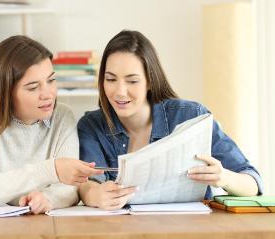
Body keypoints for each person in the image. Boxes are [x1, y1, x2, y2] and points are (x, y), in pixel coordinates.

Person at [77, 30, 263, 210]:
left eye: (132, 81)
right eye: (111, 79)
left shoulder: (192, 116)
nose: (119, 91)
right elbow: (88, 184)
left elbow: (253, 183)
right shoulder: (92, 126)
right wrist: (95, 195)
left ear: (150, 80)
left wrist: (224, 177)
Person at [0, 35, 103, 214]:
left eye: (51, 80)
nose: (48, 94)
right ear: (5, 91)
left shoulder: (62, 116)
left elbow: (70, 187)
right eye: (33, 87)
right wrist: (48, 170)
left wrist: (47, 199)